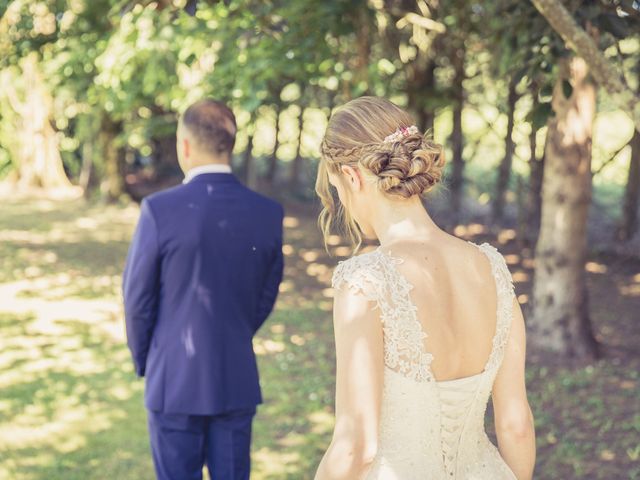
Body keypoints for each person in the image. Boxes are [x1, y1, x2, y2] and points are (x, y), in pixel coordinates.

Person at [313, 96, 536, 479]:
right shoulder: (492, 268)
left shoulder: (366, 282)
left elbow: (356, 448)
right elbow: (515, 423)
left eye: (336, 189)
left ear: (351, 177)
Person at [122, 99, 284, 480]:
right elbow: (265, 293)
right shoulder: (267, 212)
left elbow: (137, 301)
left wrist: (148, 359)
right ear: (231, 144)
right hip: (235, 375)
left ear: (185, 145)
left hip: (172, 380)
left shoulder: (159, 210)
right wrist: (237, 332)